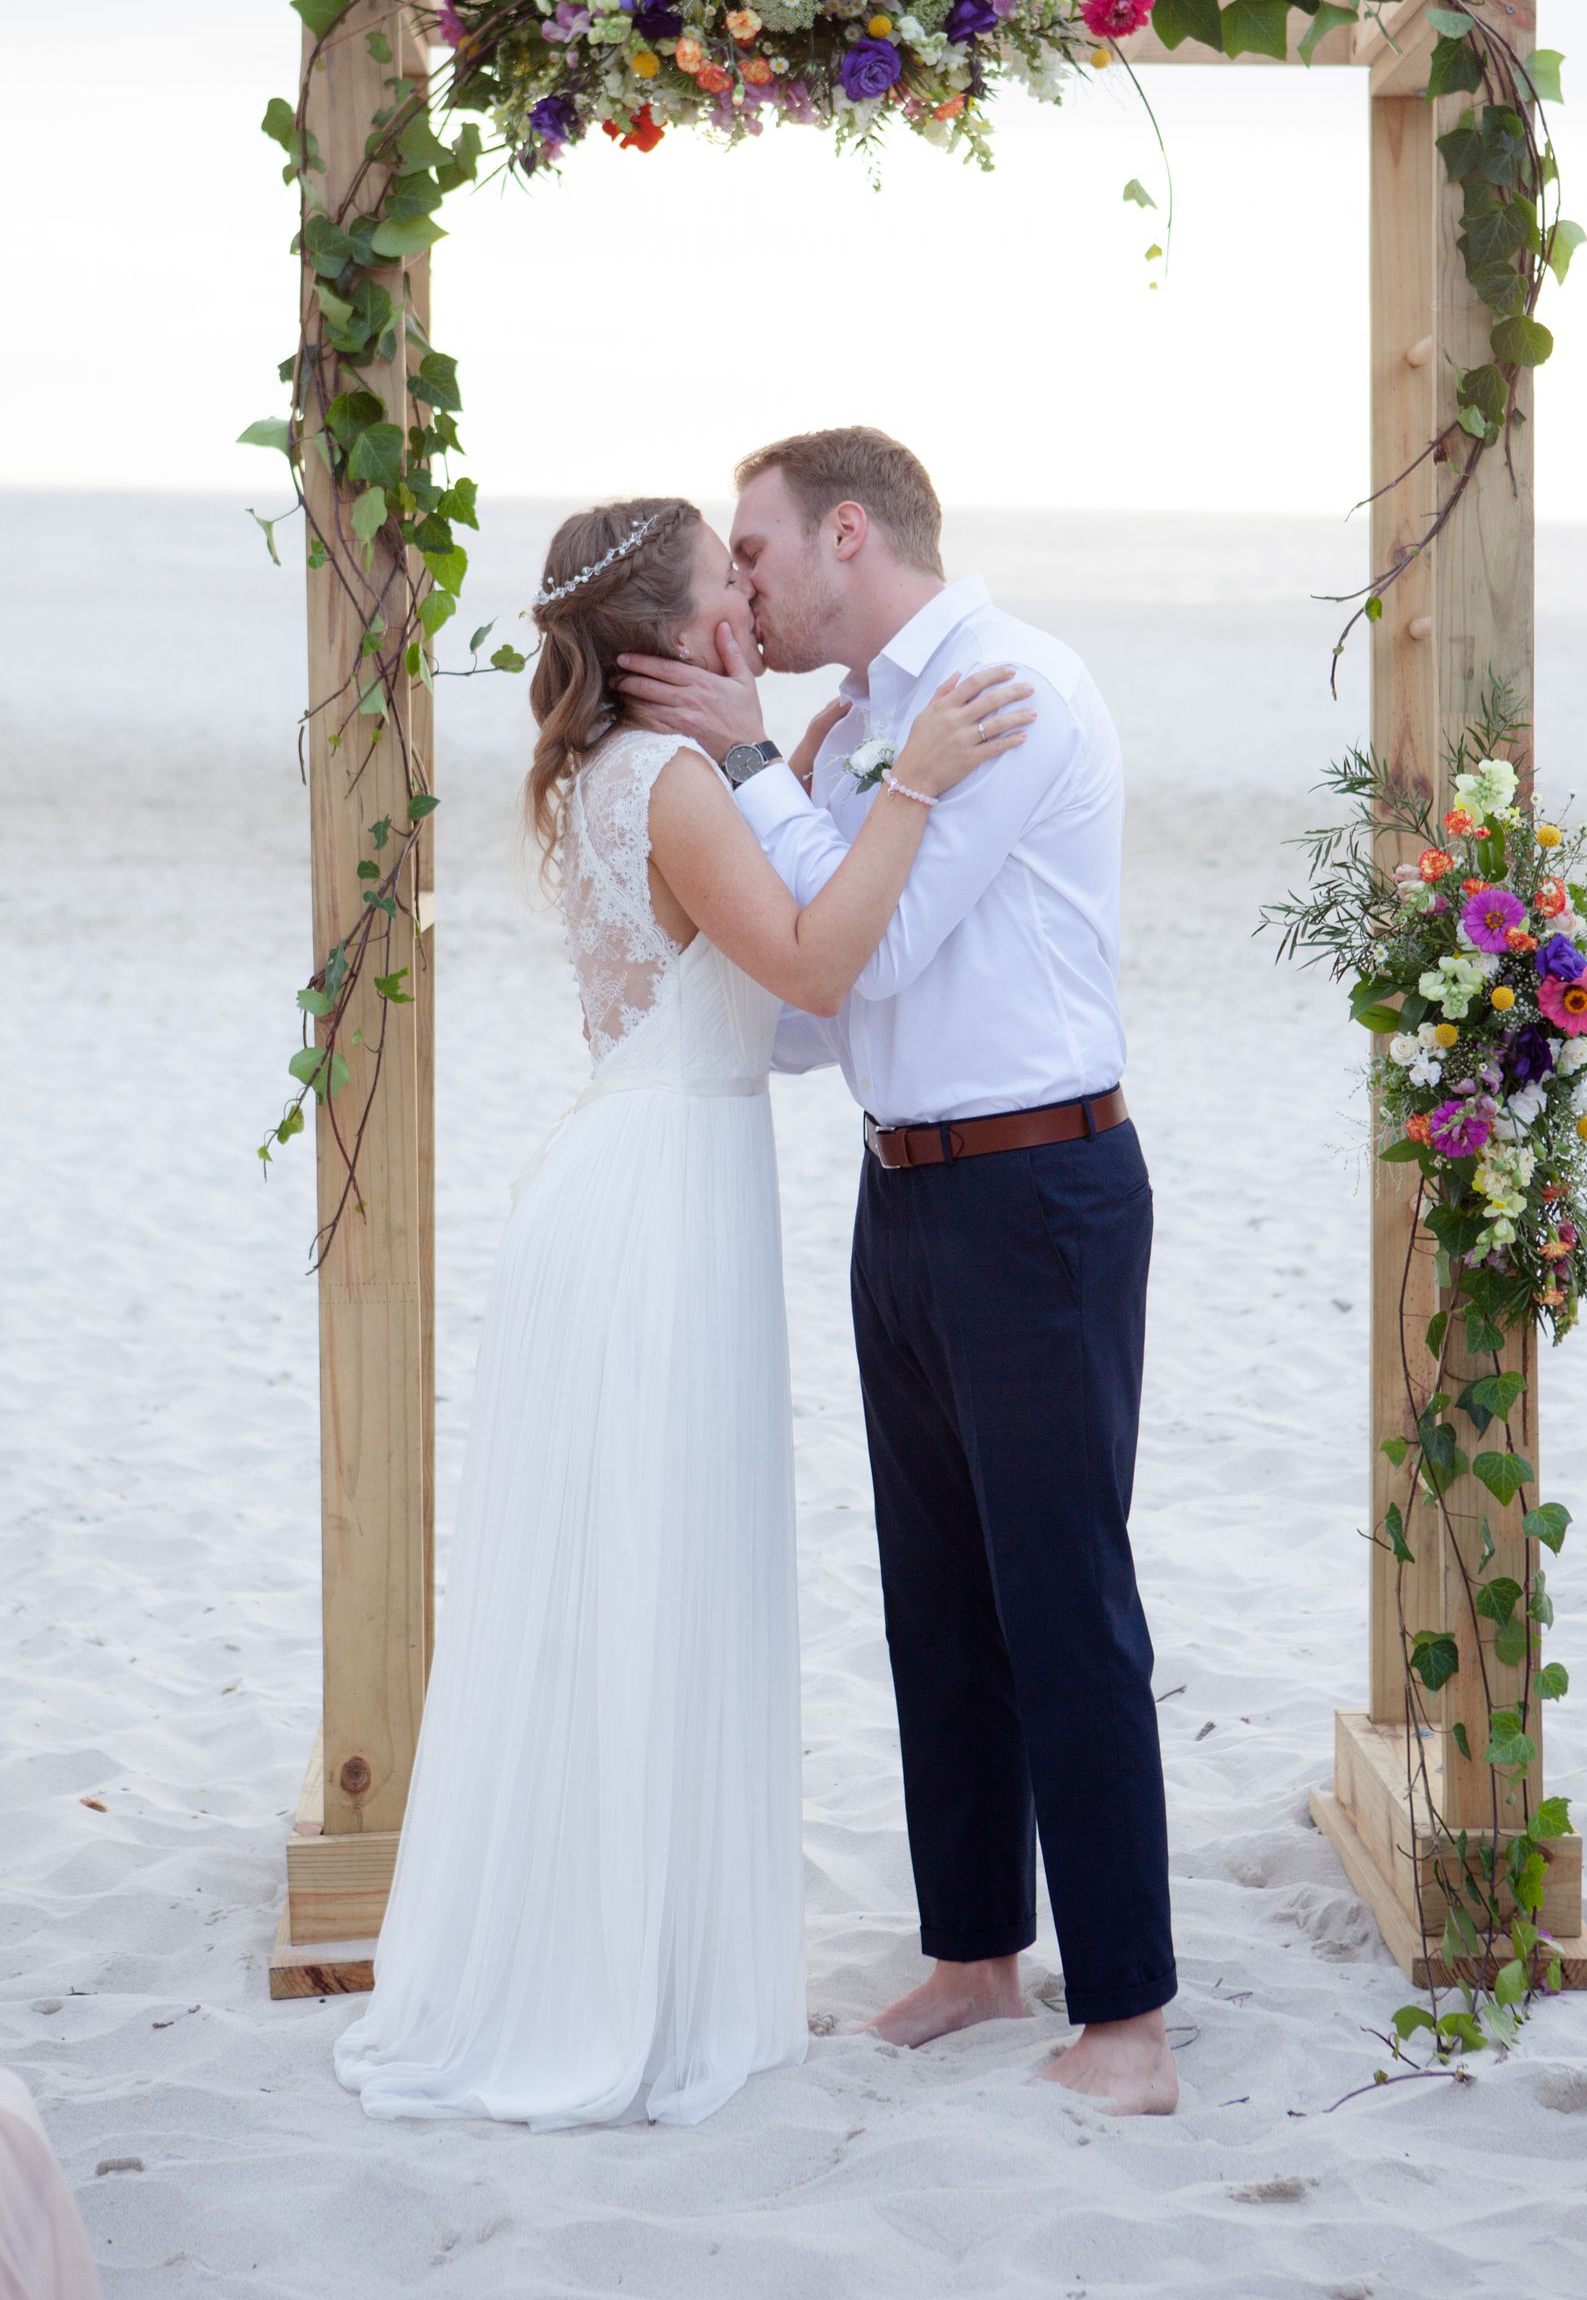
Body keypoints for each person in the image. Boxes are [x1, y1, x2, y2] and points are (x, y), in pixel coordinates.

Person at [332, 499, 1031, 2131]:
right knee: (648, 1574)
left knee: (633, 1577)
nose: (756, 600)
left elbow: (760, 1007)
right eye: (733, 583)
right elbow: (810, 970)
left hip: (647, 1177)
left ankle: (616, 1946)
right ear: (676, 635)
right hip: (657, 1208)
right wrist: (912, 781)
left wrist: (788, 768)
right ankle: (625, 1987)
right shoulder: (668, 783)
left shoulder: (617, 775)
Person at [619, 427, 1179, 2118]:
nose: (745, 586)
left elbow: (901, 931)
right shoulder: (859, 730)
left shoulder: (1003, 690)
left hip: (1041, 1188)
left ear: (847, 531)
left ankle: (1133, 2022)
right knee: (932, 1588)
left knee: (1060, 1594)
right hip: (905, 1188)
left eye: (759, 550)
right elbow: (816, 1010)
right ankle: (974, 1952)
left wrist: (757, 776)